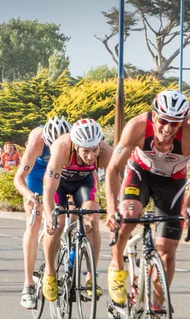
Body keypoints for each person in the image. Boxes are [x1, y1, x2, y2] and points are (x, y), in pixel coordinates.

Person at [104, 90, 190, 308]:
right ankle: (116, 267)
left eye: (175, 123)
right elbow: (113, 168)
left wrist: (187, 205)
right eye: (163, 120)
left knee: (167, 255)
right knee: (128, 216)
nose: (168, 128)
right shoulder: (137, 126)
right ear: (154, 116)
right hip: (139, 175)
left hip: (172, 184)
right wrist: (111, 209)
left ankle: (157, 306)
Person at [42, 118, 113, 302]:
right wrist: (49, 216)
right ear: (75, 145)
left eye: (94, 150)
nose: (91, 156)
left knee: (93, 219)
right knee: (57, 224)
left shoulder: (105, 151)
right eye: (85, 151)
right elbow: (49, 189)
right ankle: (50, 273)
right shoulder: (61, 148)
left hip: (84, 183)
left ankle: (91, 276)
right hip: (60, 184)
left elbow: (115, 183)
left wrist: (115, 208)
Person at [13, 116, 71, 309]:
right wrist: (29, 196)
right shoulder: (37, 140)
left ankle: (55, 267)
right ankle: (28, 284)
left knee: (60, 221)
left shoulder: (72, 141)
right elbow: (19, 178)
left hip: (58, 173)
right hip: (37, 174)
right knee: (35, 221)